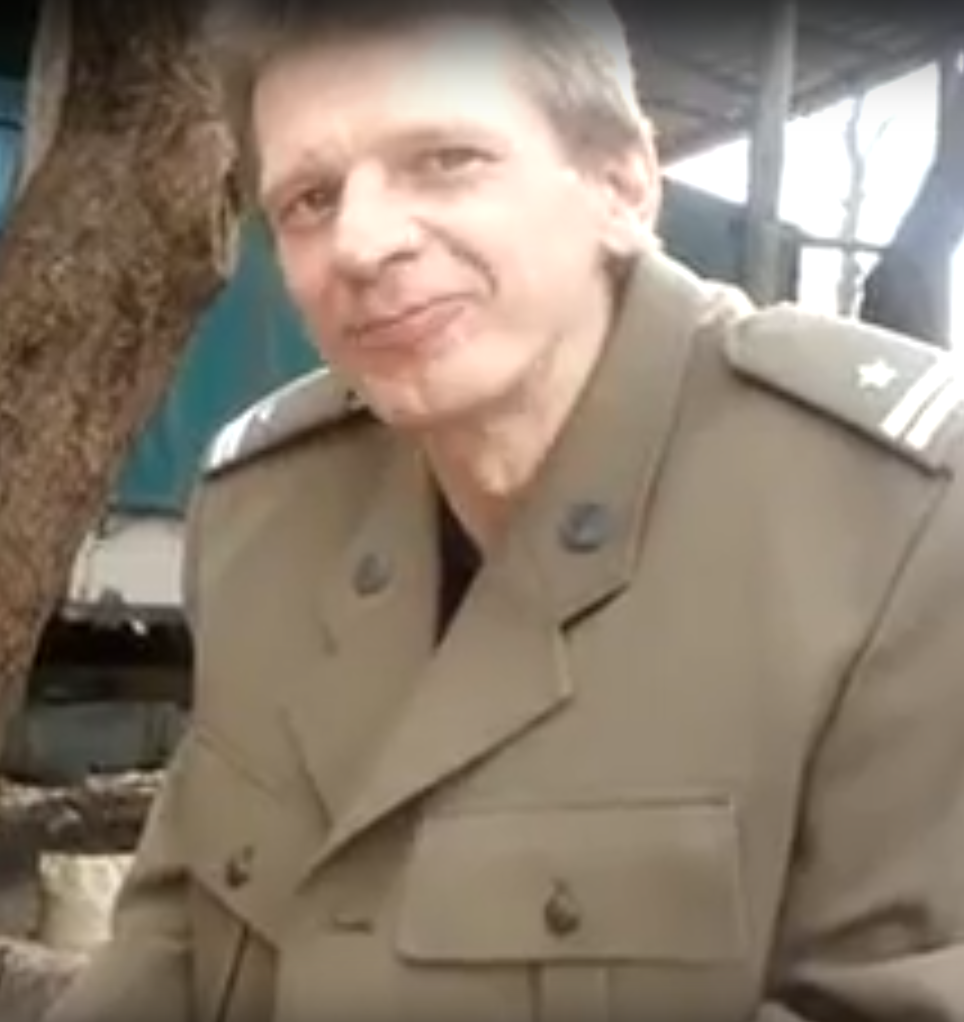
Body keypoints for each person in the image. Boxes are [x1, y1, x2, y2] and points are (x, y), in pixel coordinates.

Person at [45, 1, 964, 1019]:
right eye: (309, 199)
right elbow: (170, 944)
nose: (360, 242)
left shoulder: (893, 524)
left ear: (621, 184)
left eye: (445, 160)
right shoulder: (261, 513)